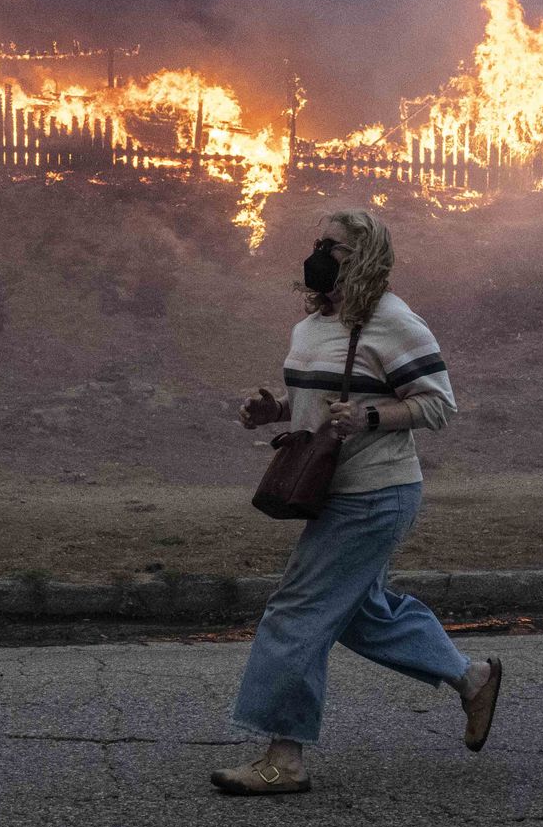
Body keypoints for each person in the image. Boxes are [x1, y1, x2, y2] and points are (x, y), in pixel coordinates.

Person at [211, 209, 502, 796]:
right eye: (316, 242)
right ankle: (471, 678)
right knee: (360, 614)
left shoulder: (394, 323)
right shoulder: (313, 326)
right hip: (332, 491)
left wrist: (372, 416)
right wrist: (273, 412)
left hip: (375, 494)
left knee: (297, 611)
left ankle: (284, 758)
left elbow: (438, 404)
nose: (318, 254)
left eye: (334, 247)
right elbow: (317, 406)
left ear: (364, 256)